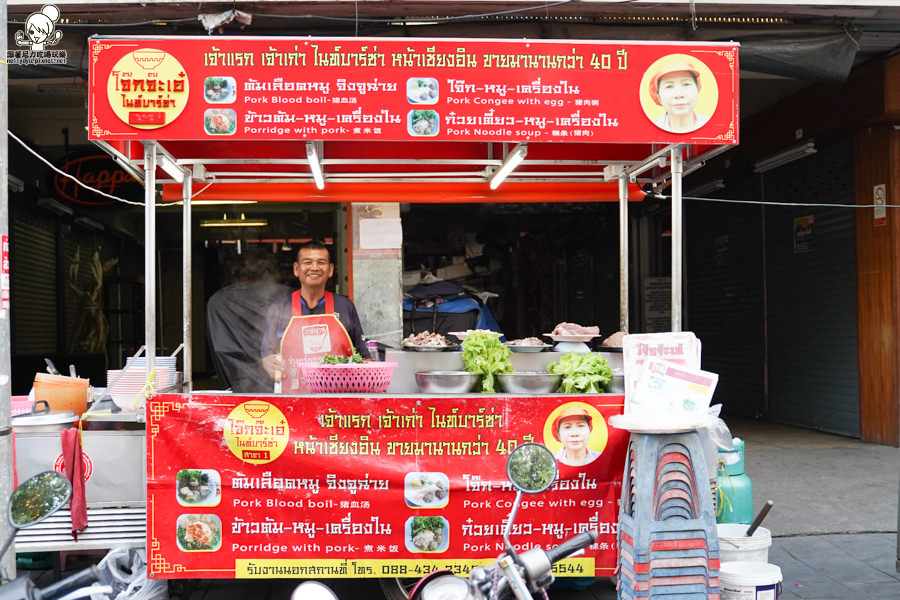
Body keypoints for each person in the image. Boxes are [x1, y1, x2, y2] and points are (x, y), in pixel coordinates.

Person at [261, 241, 370, 391]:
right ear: (296, 269)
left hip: (339, 396)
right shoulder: (279, 308)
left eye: (321, 262)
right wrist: (269, 363)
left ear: (330, 270)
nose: (314, 267)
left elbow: (364, 357)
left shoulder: (344, 306)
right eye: (307, 262)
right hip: (292, 397)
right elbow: (267, 355)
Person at [207, 252, 291, 393]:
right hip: (281, 378)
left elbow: (222, 347)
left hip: (239, 381)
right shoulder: (288, 297)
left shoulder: (219, 300)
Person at [648, 57, 710, 134]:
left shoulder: (713, 126)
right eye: (669, 86)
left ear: (697, 88)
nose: (679, 94)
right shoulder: (649, 131)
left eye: (686, 84)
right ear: (658, 96)